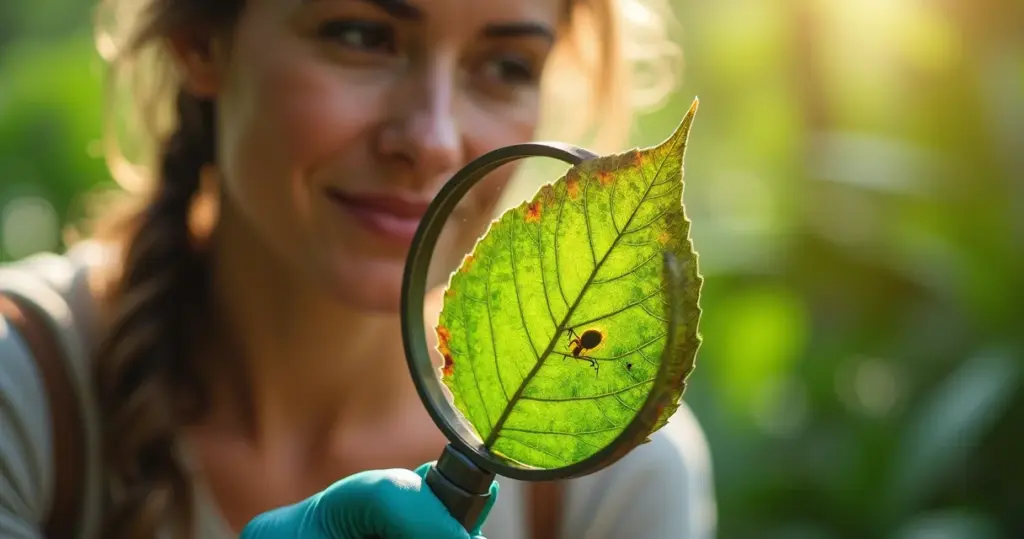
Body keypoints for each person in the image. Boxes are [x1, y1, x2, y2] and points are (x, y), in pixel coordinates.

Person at [0, 0, 717, 537]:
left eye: (505, 67)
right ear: (200, 42)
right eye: (361, 35)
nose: (431, 140)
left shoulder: (615, 479)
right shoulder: (21, 395)